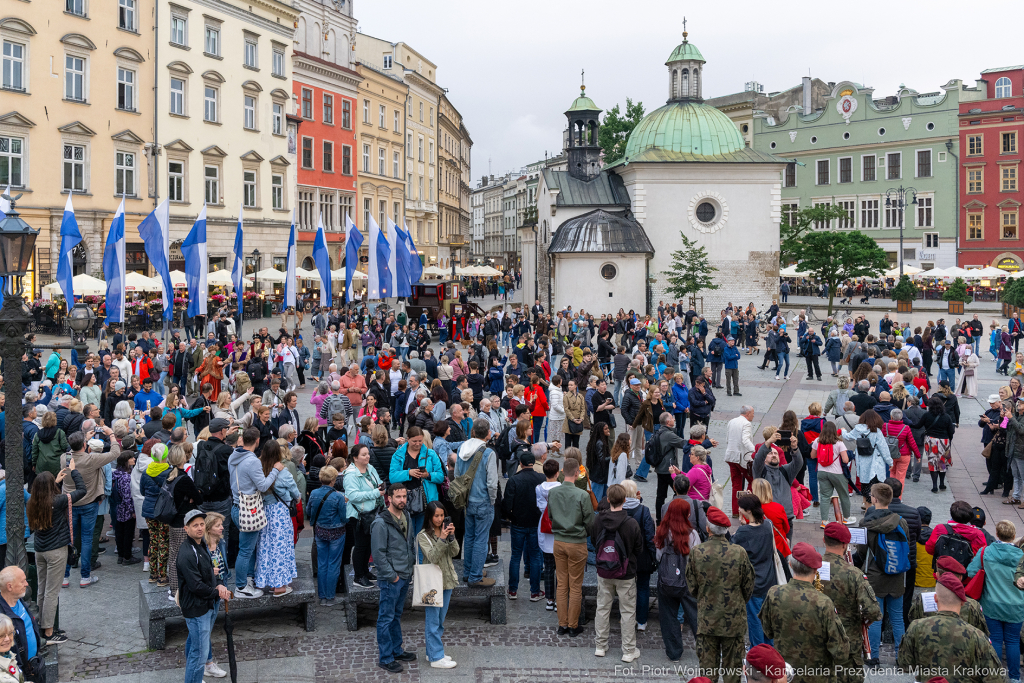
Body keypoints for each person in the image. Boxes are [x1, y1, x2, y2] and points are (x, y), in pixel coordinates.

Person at [758, 542, 849, 683]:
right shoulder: (823, 602)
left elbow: (768, 632)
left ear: (790, 565)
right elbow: (840, 651)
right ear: (815, 570)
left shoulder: (774, 593)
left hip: (784, 674)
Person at [685, 506, 754, 683]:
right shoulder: (739, 553)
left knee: (708, 673)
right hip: (734, 621)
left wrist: (705, 598)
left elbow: (692, 586)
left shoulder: (697, 552)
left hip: (708, 620)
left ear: (708, 528)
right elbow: (748, 586)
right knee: (733, 673)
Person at [897, 573, 1004, 683]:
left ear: (935, 598)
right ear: (963, 602)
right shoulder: (977, 636)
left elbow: (905, 665)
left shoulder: (916, 627)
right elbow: (995, 679)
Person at [853, 483, 910, 666]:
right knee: (897, 618)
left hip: (875, 577)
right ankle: (901, 657)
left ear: (874, 499)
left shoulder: (866, 523)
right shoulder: (901, 521)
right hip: (897, 576)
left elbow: (861, 550)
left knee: (875, 618)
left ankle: (873, 656)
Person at [28, 464, 85, 645]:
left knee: (42, 591)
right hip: (56, 551)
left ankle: (42, 626)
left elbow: (48, 498)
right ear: (50, 487)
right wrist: (74, 471)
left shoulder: (33, 502)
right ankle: (49, 633)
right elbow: (82, 491)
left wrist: (55, 482)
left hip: (40, 551)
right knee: (52, 592)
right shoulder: (58, 501)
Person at [819, 522, 882, 683]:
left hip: (818, 640)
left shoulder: (813, 568)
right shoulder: (854, 574)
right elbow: (874, 612)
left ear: (823, 541)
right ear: (846, 545)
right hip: (848, 642)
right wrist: (863, 621)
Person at [176, 510, 232, 683]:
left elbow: (208, 572)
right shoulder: (187, 553)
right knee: (198, 654)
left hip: (203, 605)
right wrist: (217, 591)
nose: (199, 528)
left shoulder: (200, 545)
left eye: (201, 524)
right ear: (186, 528)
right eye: (195, 525)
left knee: (195, 644)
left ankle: (196, 676)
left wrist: (219, 583)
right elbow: (196, 585)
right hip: (197, 607)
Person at [228, 427, 285, 599]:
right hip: (249, 509)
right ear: (258, 441)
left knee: (249, 548)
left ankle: (249, 579)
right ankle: (241, 587)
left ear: (241, 440)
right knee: (245, 550)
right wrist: (276, 470)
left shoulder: (233, 456)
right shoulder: (252, 461)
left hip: (236, 506)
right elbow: (263, 486)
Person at [590, 483, 642, 663]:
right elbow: (638, 548)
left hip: (604, 571)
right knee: (627, 611)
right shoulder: (631, 523)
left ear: (609, 499)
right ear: (625, 500)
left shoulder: (598, 520)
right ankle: (628, 650)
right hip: (626, 573)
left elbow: (594, 540)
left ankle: (600, 646)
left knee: (602, 608)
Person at [64, 427, 120, 587]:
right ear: (85, 445)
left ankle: (65, 577)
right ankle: (85, 577)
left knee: (69, 539)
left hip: (71, 503)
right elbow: (115, 452)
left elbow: (72, 450)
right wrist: (111, 434)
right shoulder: (92, 459)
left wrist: (82, 441)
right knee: (87, 539)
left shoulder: (66, 458)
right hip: (89, 503)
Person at [370, 482, 417, 673]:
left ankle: (397, 650)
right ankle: (386, 657)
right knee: (386, 618)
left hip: (405, 574)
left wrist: (410, 568)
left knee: (396, 616)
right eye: (398, 497)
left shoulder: (406, 515)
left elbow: (410, 543)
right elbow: (378, 555)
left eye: (404, 496)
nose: (402, 500)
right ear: (388, 498)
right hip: (392, 579)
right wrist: (393, 577)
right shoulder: (380, 523)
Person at [970, 520, 1024, 681]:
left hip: (991, 605)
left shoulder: (985, 551)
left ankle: (994, 676)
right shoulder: (1022, 556)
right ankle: (1015, 678)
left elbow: (971, 572)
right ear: (1014, 536)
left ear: (997, 534)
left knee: (995, 639)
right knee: (1013, 641)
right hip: (1016, 607)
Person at [548, 456, 595, 636]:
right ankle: (573, 625)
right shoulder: (582, 495)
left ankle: (562, 624)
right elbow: (590, 521)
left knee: (561, 583)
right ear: (577, 473)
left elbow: (551, 516)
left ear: (562, 473)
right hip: (576, 542)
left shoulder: (553, 493)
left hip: (559, 541)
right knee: (575, 585)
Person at [454, 419, 499, 588]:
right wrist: (492, 500)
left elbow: (457, 474)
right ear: (487, 433)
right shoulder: (488, 453)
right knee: (481, 539)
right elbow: (492, 483)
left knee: (470, 537)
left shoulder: (462, 448)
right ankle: (475, 575)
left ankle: (468, 572)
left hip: (467, 500)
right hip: (483, 500)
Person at [418, 501, 459, 669]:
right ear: (430, 516)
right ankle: (436, 657)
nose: (440, 519)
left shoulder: (445, 530)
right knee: (433, 621)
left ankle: (432, 652)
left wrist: (451, 537)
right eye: (436, 516)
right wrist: (442, 539)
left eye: (442, 515)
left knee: (440, 621)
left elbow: (455, 552)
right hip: (432, 583)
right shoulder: (423, 536)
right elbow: (433, 557)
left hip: (447, 579)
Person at [502, 451, 545, 601]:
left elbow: (507, 504)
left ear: (521, 463)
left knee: (515, 556)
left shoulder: (514, 480)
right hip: (535, 522)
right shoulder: (541, 478)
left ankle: (513, 590)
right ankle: (534, 591)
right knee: (535, 557)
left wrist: (511, 517)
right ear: (533, 462)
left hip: (518, 522)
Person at [342, 444, 385, 590]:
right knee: (360, 545)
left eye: (368, 454)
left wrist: (380, 490)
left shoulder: (370, 468)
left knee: (369, 544)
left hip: (373, 511)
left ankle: (366, 571)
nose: (368, 456)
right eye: (364, 454)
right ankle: (358, 576)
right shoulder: (350, 474)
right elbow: (353, 496)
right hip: (359, 515)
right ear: (355, 458)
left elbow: (378, 483)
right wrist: (375, 493)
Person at [307, 466, 347, 605]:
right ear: (333, 480)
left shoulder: (313, 493)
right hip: (337, 532)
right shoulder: (338, 496)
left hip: (320, 530)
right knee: (334, 564)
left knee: (322, 563)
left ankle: (322, 596)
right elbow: (344, 517)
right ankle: (330, 597)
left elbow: (309, 511)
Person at [752, 431, 803, 540]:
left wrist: (794, 448)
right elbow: (758, 460)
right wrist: (769, 442)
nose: (774, 455)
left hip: (786, 517)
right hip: (766, 518)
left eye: (775, 453)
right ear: (765, 458)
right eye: (770, 453)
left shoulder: (785, 471)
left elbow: (798, 463)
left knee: (786, 547)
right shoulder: (760, 472)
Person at [842, 410, 891, 508]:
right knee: (875, 486)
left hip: (862, 460)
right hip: (875, 462)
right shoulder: (876, 431)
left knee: (865, 484)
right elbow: (883, 448)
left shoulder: (858, 429)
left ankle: (865, 503)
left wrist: (843, 430)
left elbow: (848, 437)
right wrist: (890, 461)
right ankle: (871, 509)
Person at [0, 568, 41, 682]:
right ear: (9, 587)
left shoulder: (19, 600)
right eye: (22, 581)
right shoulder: (1, 615)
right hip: (18, 673)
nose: (26, 584)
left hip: (33, 665)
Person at [724, 406, 756, 519]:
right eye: (752, 413)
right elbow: (745, 440)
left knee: (736, 484)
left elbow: (728, 439)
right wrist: (754, 452)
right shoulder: (746, 424)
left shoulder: (732, 421)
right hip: (741, 458)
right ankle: (749, 508)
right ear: (748, 413)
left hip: (731, 456)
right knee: (753, 482)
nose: (753, 415)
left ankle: (735, 511)